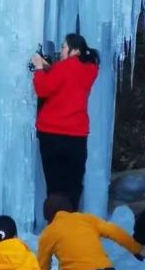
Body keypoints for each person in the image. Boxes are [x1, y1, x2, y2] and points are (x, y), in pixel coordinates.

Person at [31, 33, 99, 208]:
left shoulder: (64, 67)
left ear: (74, 50)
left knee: (55, 186)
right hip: (77, 136)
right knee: (73, 185)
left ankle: (56, 225)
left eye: (63, 47)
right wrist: (49, 67)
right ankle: (72, 223)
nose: (61, 50)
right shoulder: (90, 70)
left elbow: (43, 88)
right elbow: (65, 78)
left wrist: (39, 68)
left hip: (52, 134)